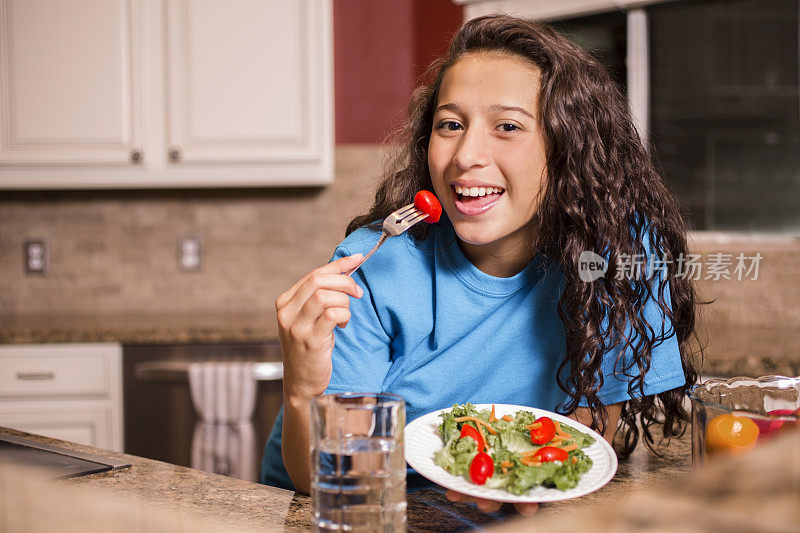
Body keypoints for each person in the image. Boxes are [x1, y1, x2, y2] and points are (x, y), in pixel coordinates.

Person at [260, 14, 700, 516]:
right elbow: (334, 480)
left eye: (507, 126)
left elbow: (585, 438)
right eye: (450, 125)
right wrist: (301, 388)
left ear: (568, 148)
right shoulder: (374, 268)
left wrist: (522, 483)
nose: (466, 154)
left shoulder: (622, 256)